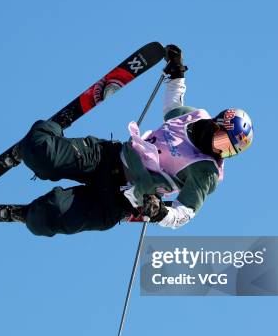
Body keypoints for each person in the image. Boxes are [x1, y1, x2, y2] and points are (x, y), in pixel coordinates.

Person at [13, 44, 254, 237]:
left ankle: (30, 214)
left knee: (47, 217)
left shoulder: (206, 172)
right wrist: (177, 74)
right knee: (39, 152)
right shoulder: (194, 117)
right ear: (216, 123)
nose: (220, 152)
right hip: (108, 158)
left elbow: (185, 213)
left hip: (118, 201)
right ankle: (36, 142)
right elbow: (173, 106)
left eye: (228, 152)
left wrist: (160, 213)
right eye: (222, 141)